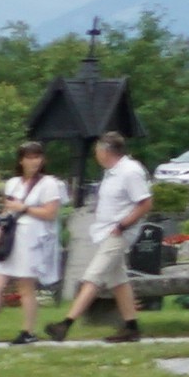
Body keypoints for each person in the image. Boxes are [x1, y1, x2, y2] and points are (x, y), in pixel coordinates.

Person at [64, 133, 153, 345]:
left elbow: (145, 203)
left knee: (93, 276)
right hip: (106, 231)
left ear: (105, 151)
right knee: (118, 281)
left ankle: (65, 323)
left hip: (119, 232)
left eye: (97, 150)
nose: (96, 154)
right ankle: (131, 327)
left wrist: (122, 225)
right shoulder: (112, 173)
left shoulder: (130, 172)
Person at [0, 143, 65, 344]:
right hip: (11, 237)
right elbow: (7, 210)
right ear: (21, 160)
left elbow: (50, 213)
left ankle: (28, 331)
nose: (34, 161)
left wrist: (24, 208)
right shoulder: (14, 183)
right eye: (30, 157)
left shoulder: (49, 184)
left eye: (38, 157)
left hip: (32, 239)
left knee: (25, 287)